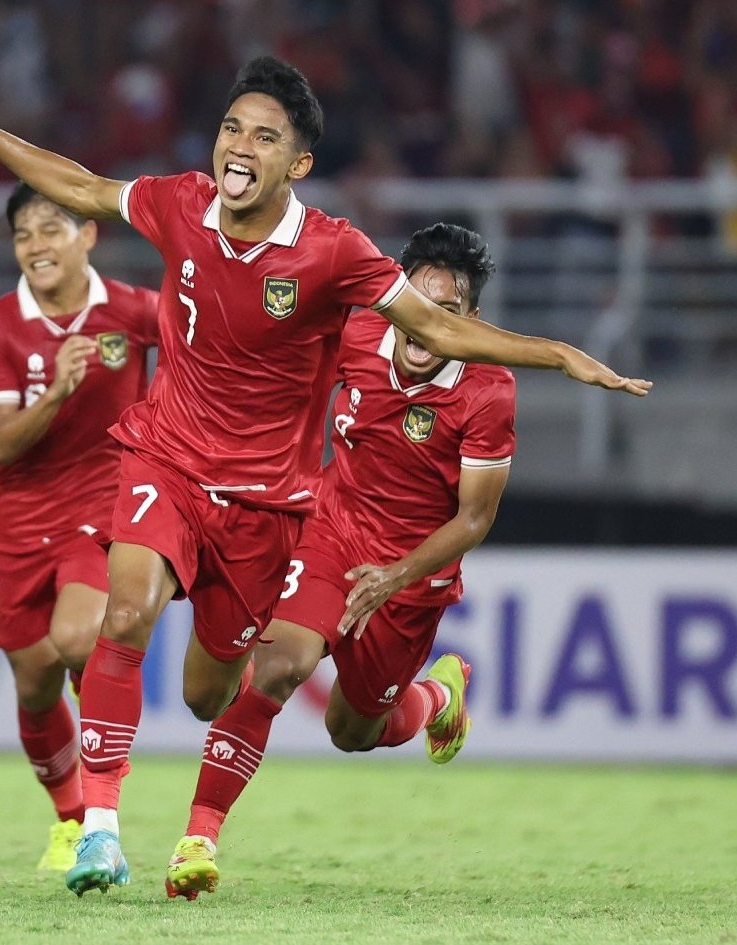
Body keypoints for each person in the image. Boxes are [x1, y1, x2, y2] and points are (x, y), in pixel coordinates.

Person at [0, 55, 651, 897]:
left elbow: (441, 328)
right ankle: (98, 829)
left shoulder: (335, 253)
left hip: (266, 502)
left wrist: (560, 355)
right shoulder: (182, 202)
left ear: (297, 163)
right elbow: (79, 185)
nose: (239, 147)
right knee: (128, 610)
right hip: (164, 458)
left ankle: (434, 699)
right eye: (230, 128)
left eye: (264, 135)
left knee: (214, 694)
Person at [165, 221, 510, 898]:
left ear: (472, 320)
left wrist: (397, 576)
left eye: (449, 313)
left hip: (412, 577)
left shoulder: (489, 387)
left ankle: (439, 695)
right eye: (418, 301)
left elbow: (475, 516)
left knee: (352, 730)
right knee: (277, 664)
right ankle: (198, 837)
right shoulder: (355, 333)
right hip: (330, 532)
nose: (428, 325)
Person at [0, 182, 159, 874]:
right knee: (34, 683)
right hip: (20, 521)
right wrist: (55, 391)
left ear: (88, 236)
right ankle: (69, 819)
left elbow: (207, 348)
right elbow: (1, 444)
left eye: (52, 228)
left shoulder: (134, 310)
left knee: (80, 636)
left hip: (102, 506)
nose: (36, 245)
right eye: (24, 235)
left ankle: (103, 802)